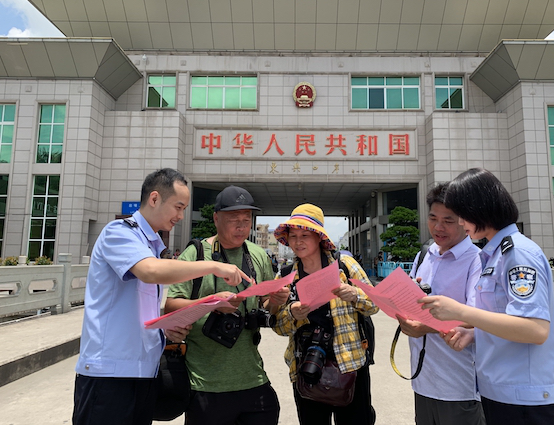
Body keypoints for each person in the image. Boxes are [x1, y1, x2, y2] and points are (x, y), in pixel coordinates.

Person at [73, 169, 248, 425]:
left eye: (184, 208)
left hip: (143, 373)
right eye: (178, 207)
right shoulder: (119, 233)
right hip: (108, 375)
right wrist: (213, 265)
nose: (180, 216)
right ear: (154, 199)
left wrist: (165, 331)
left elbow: (139, 309)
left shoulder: (150, 245)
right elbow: (150, 272)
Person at [419, 168, 554, 425]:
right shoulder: (494, 254)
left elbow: (535, 329)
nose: (462, 223)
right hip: (501, 393)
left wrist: (460, 312)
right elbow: (505, 319)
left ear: (479, 209)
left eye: (462, 215)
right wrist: (475, 334)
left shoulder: (517, 253)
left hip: (525, 401)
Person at [165, 185, 287, 425]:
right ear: (216, 218)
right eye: (234, 219)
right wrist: (212, 304)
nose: (242, 226)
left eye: (247, 219)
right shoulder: (196, 254)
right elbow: (170, 306)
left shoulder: (257, 255)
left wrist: (274, 301)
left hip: (253, 378)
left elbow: (265, 306)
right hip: (205, 384)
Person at [272, 203, 379, 425]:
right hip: (308, 366)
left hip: (350, 364)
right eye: (293, 236)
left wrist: (354, 294)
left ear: (319, 237)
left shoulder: (344, 265)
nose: (298, 241)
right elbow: (278, 326)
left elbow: (374, 304)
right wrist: (292, 313)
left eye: (305, 235)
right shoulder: (286, 277)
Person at [398, 183, 485, 425]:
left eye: (448, 220)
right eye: (433, 218)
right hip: (423, 380)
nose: (438, 227)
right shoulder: (424, 255)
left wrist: (425, 326)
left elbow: (478, 315)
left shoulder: (476, 261)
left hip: (459, 384)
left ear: (465, 222)